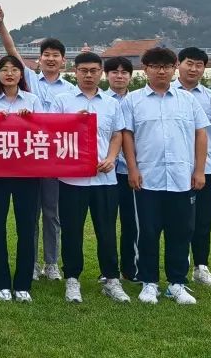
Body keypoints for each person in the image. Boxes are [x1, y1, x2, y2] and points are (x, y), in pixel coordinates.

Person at [121, 47, 209, 305]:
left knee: (181, 232)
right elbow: (127, 136)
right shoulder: (133, 101)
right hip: (148, 178)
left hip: (182, 178)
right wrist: (133, 168)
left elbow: (200, 134)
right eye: (155, 66)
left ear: (174, 68)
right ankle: (149, 282)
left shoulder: (188, 100)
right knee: (147, 232)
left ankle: (177, 283)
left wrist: (199, 170)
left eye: (166, 66)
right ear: (145, 69)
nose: (161, 71)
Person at [0, 4, 75, 281]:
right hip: (27, 157)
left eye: (56, 56)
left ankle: (51, 263)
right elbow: (11, 51)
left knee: (52, 212)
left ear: (63, 61)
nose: (51, 59)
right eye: (46, 55)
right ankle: (30, 262)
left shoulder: (71, 90)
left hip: (54, 158)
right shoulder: (29, 79)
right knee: (30, 214)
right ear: (39, 60)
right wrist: (1, 24)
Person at [52, 52, 130, 303]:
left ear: (101, 73)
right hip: (72, 180)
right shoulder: (62, 101)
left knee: (106, 231)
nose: (88, 75)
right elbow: (51, 133)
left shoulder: (111, 103)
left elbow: (117, 134)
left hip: (104, 179)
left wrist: (111, 158)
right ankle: (72, 279)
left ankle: (111, 278)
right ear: (74, 72)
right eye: (83, 70)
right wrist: (73, 122)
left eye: (94, 71)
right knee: (72, 231)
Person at [0, 55, 43, 302]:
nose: (9, 73)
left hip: (26, 172)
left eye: (14, 69)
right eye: (4, 70)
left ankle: (23, 284)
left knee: (26, 228)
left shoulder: (32, 100)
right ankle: (1, 283)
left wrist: (31, 121)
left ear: (21, 74)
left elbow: (45, 132)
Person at [174, 47, 211, 288]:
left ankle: (201, 267)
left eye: (199, 65)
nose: (193, 69)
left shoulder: (210, 96)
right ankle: (179, 266)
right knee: (178, 221)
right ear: (178, 64)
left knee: (203, 221)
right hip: (174, 168)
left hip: (205, 167)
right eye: (189, 63)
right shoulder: (168, 93)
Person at [103, 56, 138, 282]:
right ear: (106, 75)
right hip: (105, 171)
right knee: (106, 222)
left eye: (124, 72)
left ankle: (129, 269)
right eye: (114, 72)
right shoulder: (100, 100)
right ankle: (108, 270)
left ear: (130, 77)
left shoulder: (136, 100)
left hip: (129, 171)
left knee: (131, 222)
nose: (119, 76)